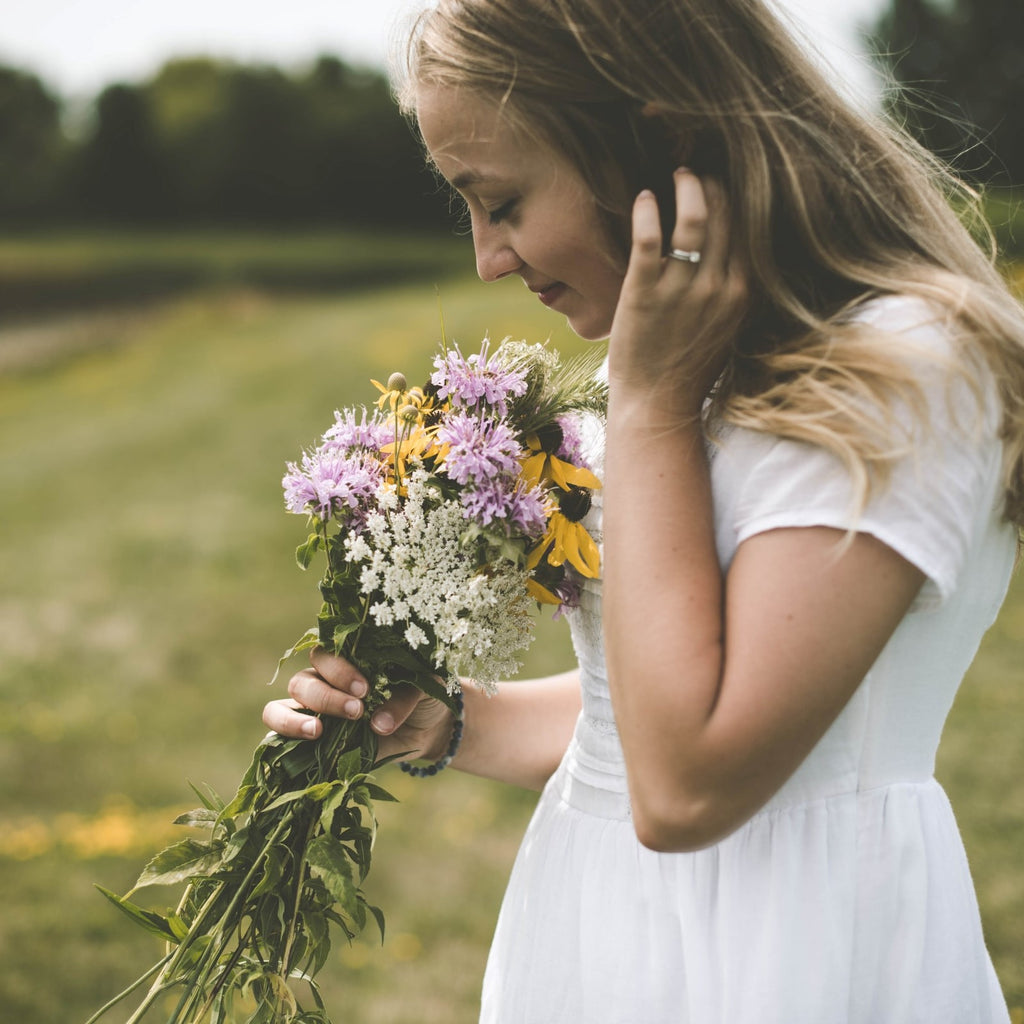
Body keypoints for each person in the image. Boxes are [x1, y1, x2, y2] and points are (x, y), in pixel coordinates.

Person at [263, 0, 1024, 1019]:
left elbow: (687, 784)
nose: (487, 257)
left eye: (501, 200)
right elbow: (641, 709)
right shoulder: (677, 354)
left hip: (793, 946)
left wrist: (653, 408)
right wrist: (447, 724)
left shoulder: (898, 369)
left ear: (657, 144)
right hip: (599, 929)